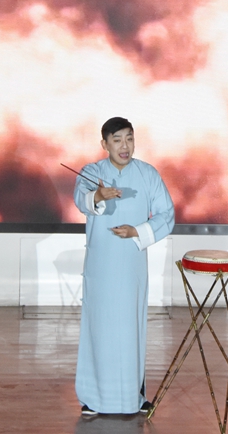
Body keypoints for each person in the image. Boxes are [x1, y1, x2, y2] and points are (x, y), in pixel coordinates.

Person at [74, 117, 176, 416]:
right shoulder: (92, 172)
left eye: (129, 139)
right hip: (101, 265)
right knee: (99, 327)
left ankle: (135, 396)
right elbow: (81, 199)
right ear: (104, 144)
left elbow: (166, 214)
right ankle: (94, 398)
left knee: (131, 327)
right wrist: (98, 196)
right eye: (117, 140)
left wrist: (137, 231)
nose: (124, 146)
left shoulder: (147, 174)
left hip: (131, 265)